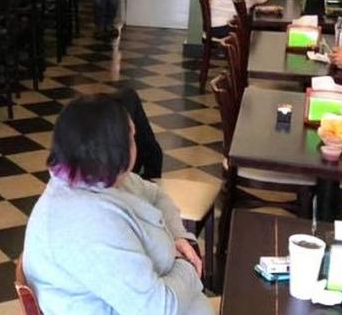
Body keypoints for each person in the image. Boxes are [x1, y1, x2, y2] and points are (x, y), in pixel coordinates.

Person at [23, 95, 212, 315]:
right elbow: (159, 308)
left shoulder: (101, 176)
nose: (137, 143)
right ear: (113, 149)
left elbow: (157, 195)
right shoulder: (89, 224)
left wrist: (179, 237)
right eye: (132, 137)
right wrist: (186, 265)